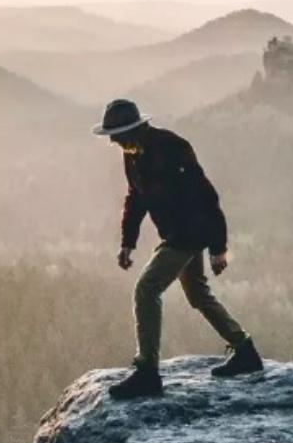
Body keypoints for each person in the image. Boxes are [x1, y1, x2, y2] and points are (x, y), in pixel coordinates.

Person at [92, 99, 263, 399]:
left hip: (189, 234)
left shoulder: (172, 147)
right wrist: (127, 242)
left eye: (116, 136)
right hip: (174, 233)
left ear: (132, 130)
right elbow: (136, 198)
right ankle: (245, 350)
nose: (114, 142)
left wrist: (218, 247)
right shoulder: (133, 155)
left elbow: (206, 196)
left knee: (146, 289)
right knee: (198, 295)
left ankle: (147, 372)